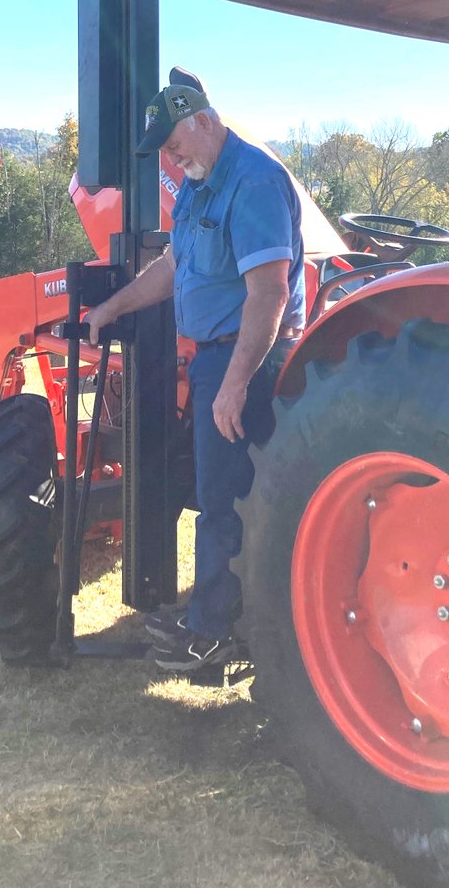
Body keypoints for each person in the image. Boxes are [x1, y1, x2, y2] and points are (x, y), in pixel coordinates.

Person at [85, 77, 305, 673]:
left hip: (248, 361)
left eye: (172, 142)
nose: (169, 157)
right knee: (215, 495)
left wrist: (234, 383)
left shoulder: (253, 180)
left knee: (225, 501)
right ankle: (211, 616)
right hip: (213, 358)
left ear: (203, 120)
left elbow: (269, 294)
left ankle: (214, 634)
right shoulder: (199, 184)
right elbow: (172, 265)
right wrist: (113, 308)